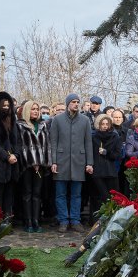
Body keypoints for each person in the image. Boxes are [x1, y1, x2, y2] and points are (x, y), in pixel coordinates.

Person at [50, 93, 93, 233]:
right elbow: (53, 142)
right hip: (61, 161)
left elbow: (88, 143)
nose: (76, 104)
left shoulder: (85, 120)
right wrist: (53, 161)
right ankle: (63, 220)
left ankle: (75, 220)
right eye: (73, 101)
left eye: (77, 102)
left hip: (79, 161)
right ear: (68, 103)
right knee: (60, 194)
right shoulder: (57, 119)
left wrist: (89, 163)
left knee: (76, 194)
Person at [0, 91, 23, 217]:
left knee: (9, 194)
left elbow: (18, 142)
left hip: (12, 165)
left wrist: (15, 155)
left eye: (8, 105)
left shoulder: (13, 122)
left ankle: (7, 219)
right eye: (3, 105)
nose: (6, 108)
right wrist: (6, 156)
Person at [17, 100, 50, 232]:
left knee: (37, 194)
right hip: (26, 165)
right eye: (33, 109)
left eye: (37, 109)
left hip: (40, 165)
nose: (35, 111)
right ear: (27, 110)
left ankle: (36, 220)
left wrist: (42, 162)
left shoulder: (43, 125)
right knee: (27, 194)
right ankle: (28, 221)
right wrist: (31, 162)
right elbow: (20, 147)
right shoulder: (20, 126)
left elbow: (47, 145)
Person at [90, 114, 122, 218]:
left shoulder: (115, 137)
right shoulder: (93, 137)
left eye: (107, 124)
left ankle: (111, 218)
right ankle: (96, 219)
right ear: (98, 125)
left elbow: (118, 155)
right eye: (102, 124)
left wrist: (106, 152)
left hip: (110, 171)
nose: (104, 126)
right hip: (97, 171)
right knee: (98, 196)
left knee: (112, 197)